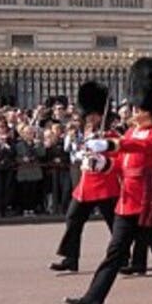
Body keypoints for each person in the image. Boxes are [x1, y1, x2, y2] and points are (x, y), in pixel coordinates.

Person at [65, 58, 152, 304]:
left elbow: (142, 148)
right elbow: (121, 164)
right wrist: (102, 163)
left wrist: (111, 145)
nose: (133, 111)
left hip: (149, 201)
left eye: (138, 108)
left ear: (150, 110)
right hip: (128, 201)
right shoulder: (130, 133)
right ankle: (94, 298)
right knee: (115, 252)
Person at [49, 81, 120, 273]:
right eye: (88, 115)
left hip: (105, 185)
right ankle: (70, 258)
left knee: (115, 225)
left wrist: (103, 152)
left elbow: (117, 156)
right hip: (87, 185)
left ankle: (123, 256)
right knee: (73, 218)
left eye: (94, 115)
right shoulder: (87, 134)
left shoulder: (110, 134)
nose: (90, 118)